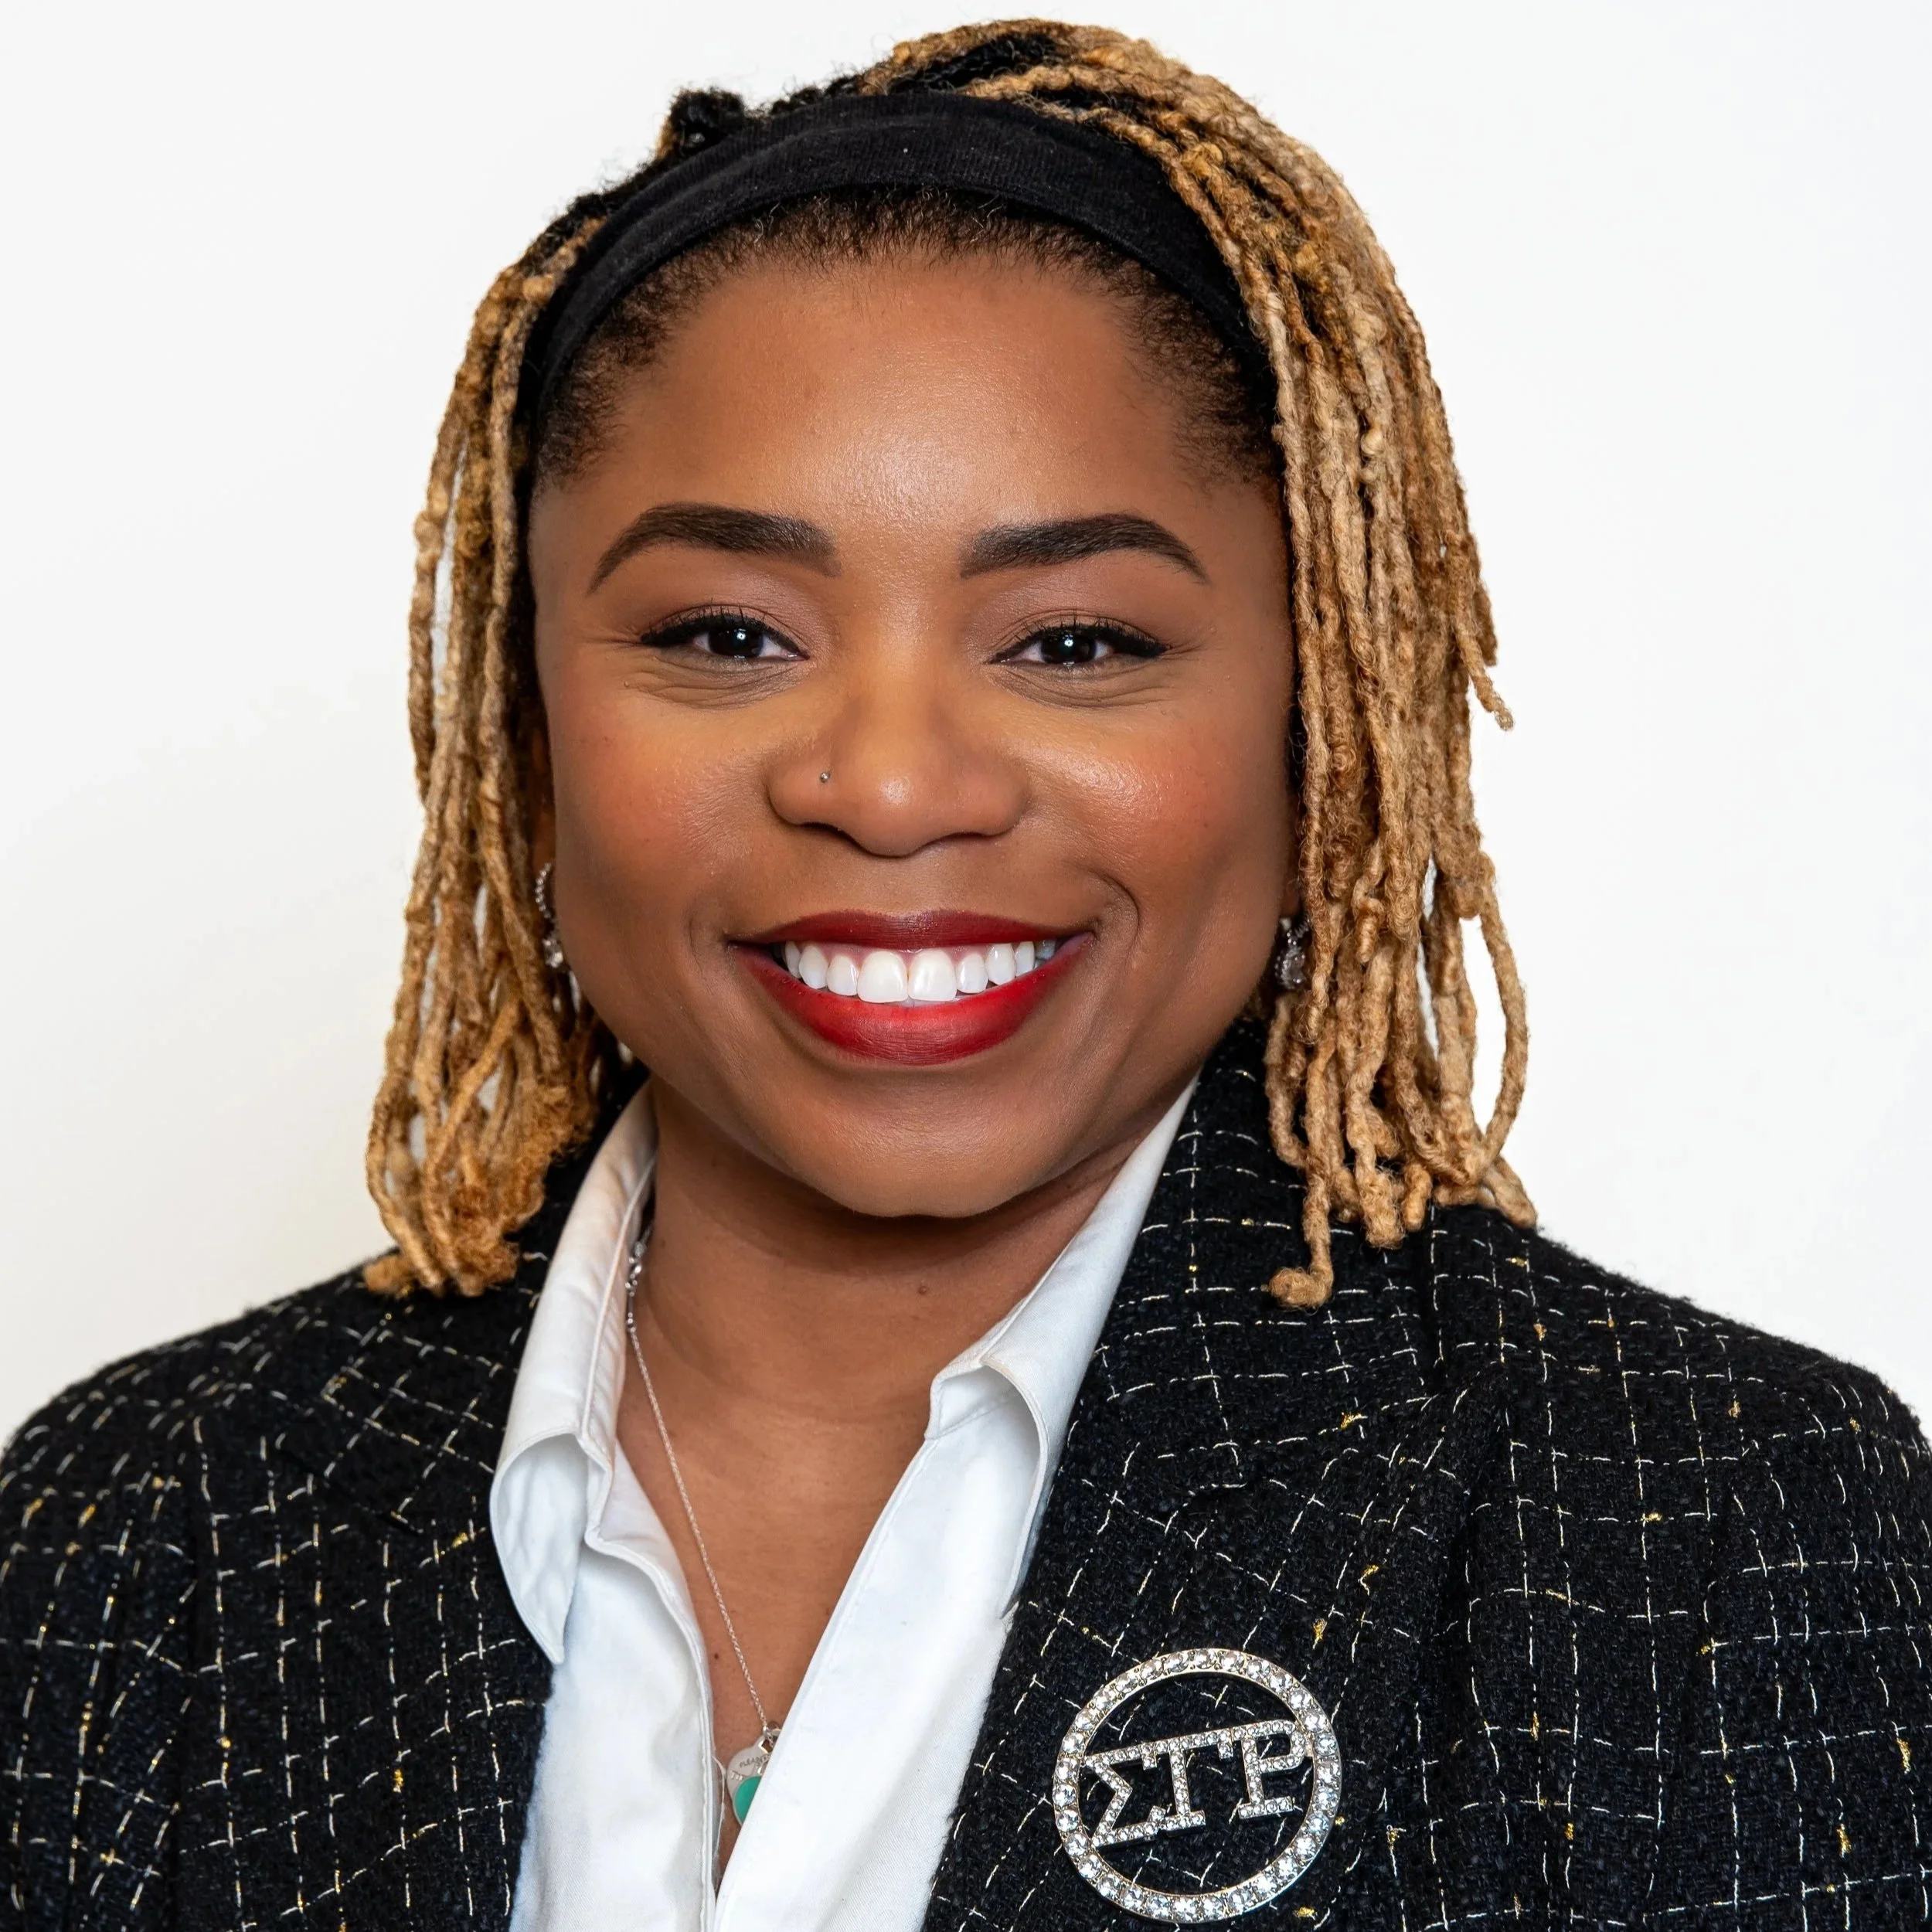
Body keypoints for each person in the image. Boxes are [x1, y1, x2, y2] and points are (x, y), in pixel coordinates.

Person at [3, 20, 1927, 1930]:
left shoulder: (1714, 1534)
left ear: (1319, 708)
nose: (895, 785)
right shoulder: (121, 1529)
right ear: (520, 716)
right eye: (729, 630)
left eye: (1077, 641)